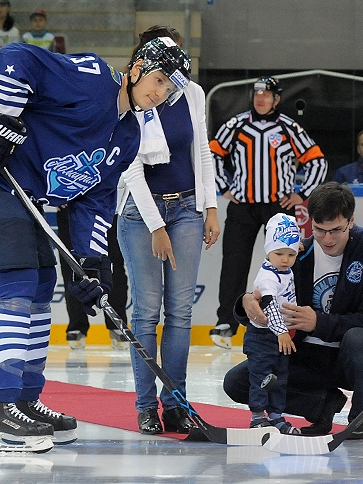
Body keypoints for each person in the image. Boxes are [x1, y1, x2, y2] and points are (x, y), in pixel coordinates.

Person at [0, 37, 192, 453]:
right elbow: (14, 57)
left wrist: (91, 260)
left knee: (41, 288)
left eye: (169, 88)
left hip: (27, 188)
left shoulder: (128, 134)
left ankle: (23, 399)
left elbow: (93, 199)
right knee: (16, 285)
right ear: (137, 68)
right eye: (159, 80)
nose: (161, 92)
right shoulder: (91, 79)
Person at [223, 182, 363, 439]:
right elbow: (267, 294)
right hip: (303, 354)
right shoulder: (295, 254)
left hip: (352, 358)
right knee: (237, 382)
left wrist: (319, 323)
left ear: (351, 221)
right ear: (310, 223)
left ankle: (362, 415)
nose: (327, 239)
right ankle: (322, 403)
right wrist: (245, 303)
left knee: (360, 338)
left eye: (336, 230)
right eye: (319, 230)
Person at [116, 25, 220, 436]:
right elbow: (130, 167)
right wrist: (157, 225)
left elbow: (202, 149)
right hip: (141, 215)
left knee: (180, 313)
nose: (166, 82)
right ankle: (145, 407)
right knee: (145, 313)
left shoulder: (190, 93)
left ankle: (175, 403)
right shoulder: (131, 98)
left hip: (188, 209)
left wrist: (210, 207)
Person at [208, 76, 328, 349]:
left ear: (276, 99)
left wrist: (303, 194)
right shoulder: (236, 124)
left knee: (290, 263)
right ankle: (226, 321)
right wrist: (223, 187)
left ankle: (293, 317)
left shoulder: (289, 127)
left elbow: (317, 159)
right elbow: (212, 154)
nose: (261, 98)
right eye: (257, 93)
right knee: (233, 263)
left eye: (267, 94)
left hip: (278, 206)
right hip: (243, 205)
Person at [243, 213, 301, 435]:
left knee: (280, 377)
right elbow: (269, 305)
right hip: (264, 337)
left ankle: (276, 415)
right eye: (279, 254)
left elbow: (294, 245)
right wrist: (281, 332)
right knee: (261, 376)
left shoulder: (285, 269)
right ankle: (258, 416)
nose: (285, 259)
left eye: (291, 254)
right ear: (268, 250)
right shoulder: (267, 277)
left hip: (281, 336)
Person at [58, 210, 130, 351]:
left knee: (113, 266)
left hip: (105, 207)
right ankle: (77, 326)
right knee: (72, 266)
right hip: (71, 206)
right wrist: (58, 196)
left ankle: (117, 324)